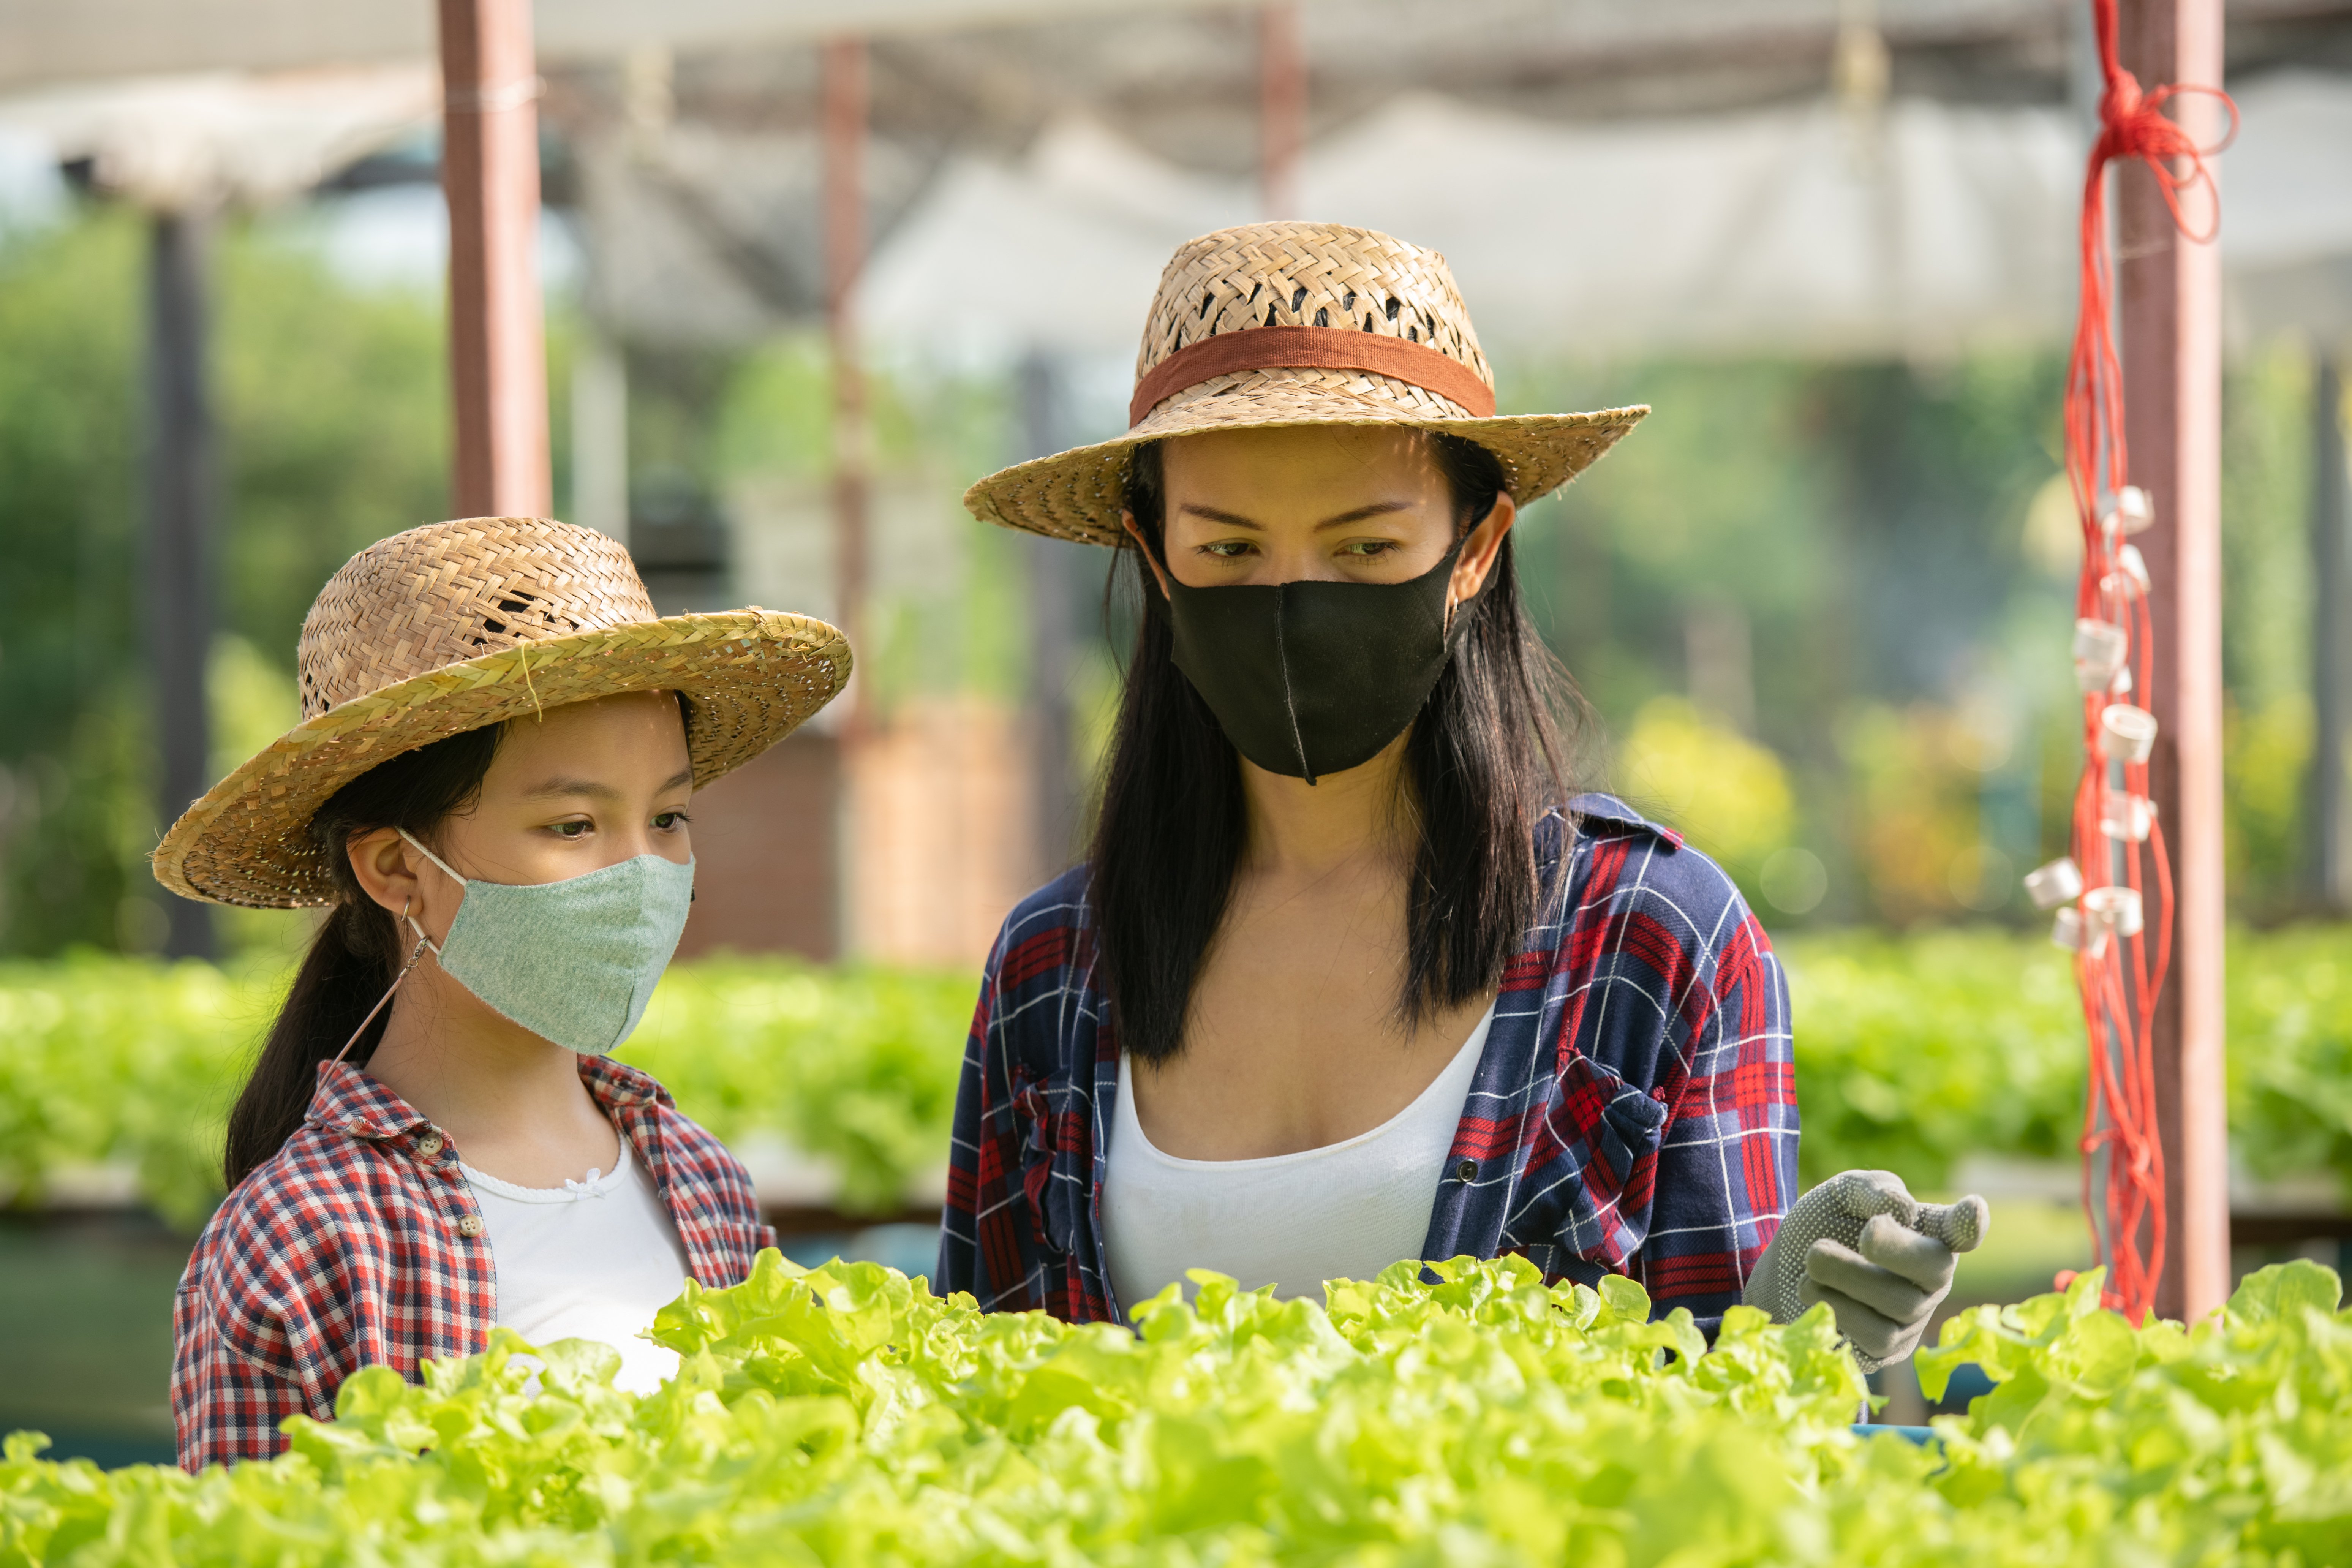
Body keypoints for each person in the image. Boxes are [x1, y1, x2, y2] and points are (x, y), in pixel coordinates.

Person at [940, 222, 1984, 1367]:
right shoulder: (1052, 972)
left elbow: (1740, 1460)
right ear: (1152, 559)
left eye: (1367, 550)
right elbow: (964, 1410)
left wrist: (1806, 1337)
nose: (1295, 603)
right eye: (1231, 553)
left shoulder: (1649, 943)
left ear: (1477, 548)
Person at [159, 517, 848, 1470]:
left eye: (670, 817)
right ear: (399, 869)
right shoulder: (304, 1234)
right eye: (572, 825)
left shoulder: (699, 1178)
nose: (642, 870)